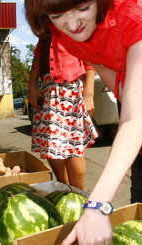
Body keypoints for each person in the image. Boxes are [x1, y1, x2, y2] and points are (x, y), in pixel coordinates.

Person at [25, 0, 142, 243]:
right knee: (138, 170)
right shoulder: (62, 35)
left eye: (83, 8)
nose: (73, 24)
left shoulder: (136, 13)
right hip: (128, 77)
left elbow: (132, 119)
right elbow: (107, 71)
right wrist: (137, 124)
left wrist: (96, 205)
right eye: (58, 14)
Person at [29, 34, 98, 190]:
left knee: (72, 148)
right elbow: (38, 56)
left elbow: (90, 58)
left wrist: (88, 94)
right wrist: (31, 85)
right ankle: (63, 188)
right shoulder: (45, 28)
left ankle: (78, 196)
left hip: (70, 90)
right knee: (51, 145)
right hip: (48, 90)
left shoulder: (73, 24)